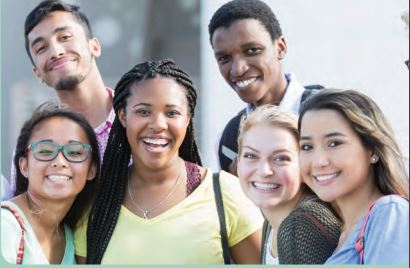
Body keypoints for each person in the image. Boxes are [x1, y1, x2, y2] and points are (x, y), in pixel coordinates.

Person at [74, 59, 263, 264]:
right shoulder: (95, 206)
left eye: (172, 113)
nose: (158, 125)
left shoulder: (226, 193)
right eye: (143, 111)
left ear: (188, 119)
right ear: (123, 116)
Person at [6, 0, 114, 198]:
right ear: (37, 73)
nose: (56, 52)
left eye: (64, 37)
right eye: (41, 48)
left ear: (95, 46)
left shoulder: (136, 119)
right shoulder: (32, 145)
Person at [208, 0, 322, 175]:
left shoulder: (328, 113)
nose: (238, 69)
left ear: (281, 48)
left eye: (252, 50)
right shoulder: (229, 141)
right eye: (224, 58)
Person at [298, 89, 409, 264]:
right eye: (306, 147)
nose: (319, 161)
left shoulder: (389, 212)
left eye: (334, 143)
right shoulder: (342, 233)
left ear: (372, 149)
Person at [236, 104, 341, 264]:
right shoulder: (271, 223)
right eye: (251, 156)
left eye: (280, 158)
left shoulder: (301, 224)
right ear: (238, 162)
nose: (264, 171)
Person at [1, 102, 99, 264]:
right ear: (24, 166)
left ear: (91, 170)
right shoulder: (6, 227)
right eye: (45, 151)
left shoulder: (70, 237)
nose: (60, 162)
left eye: (74, 152)